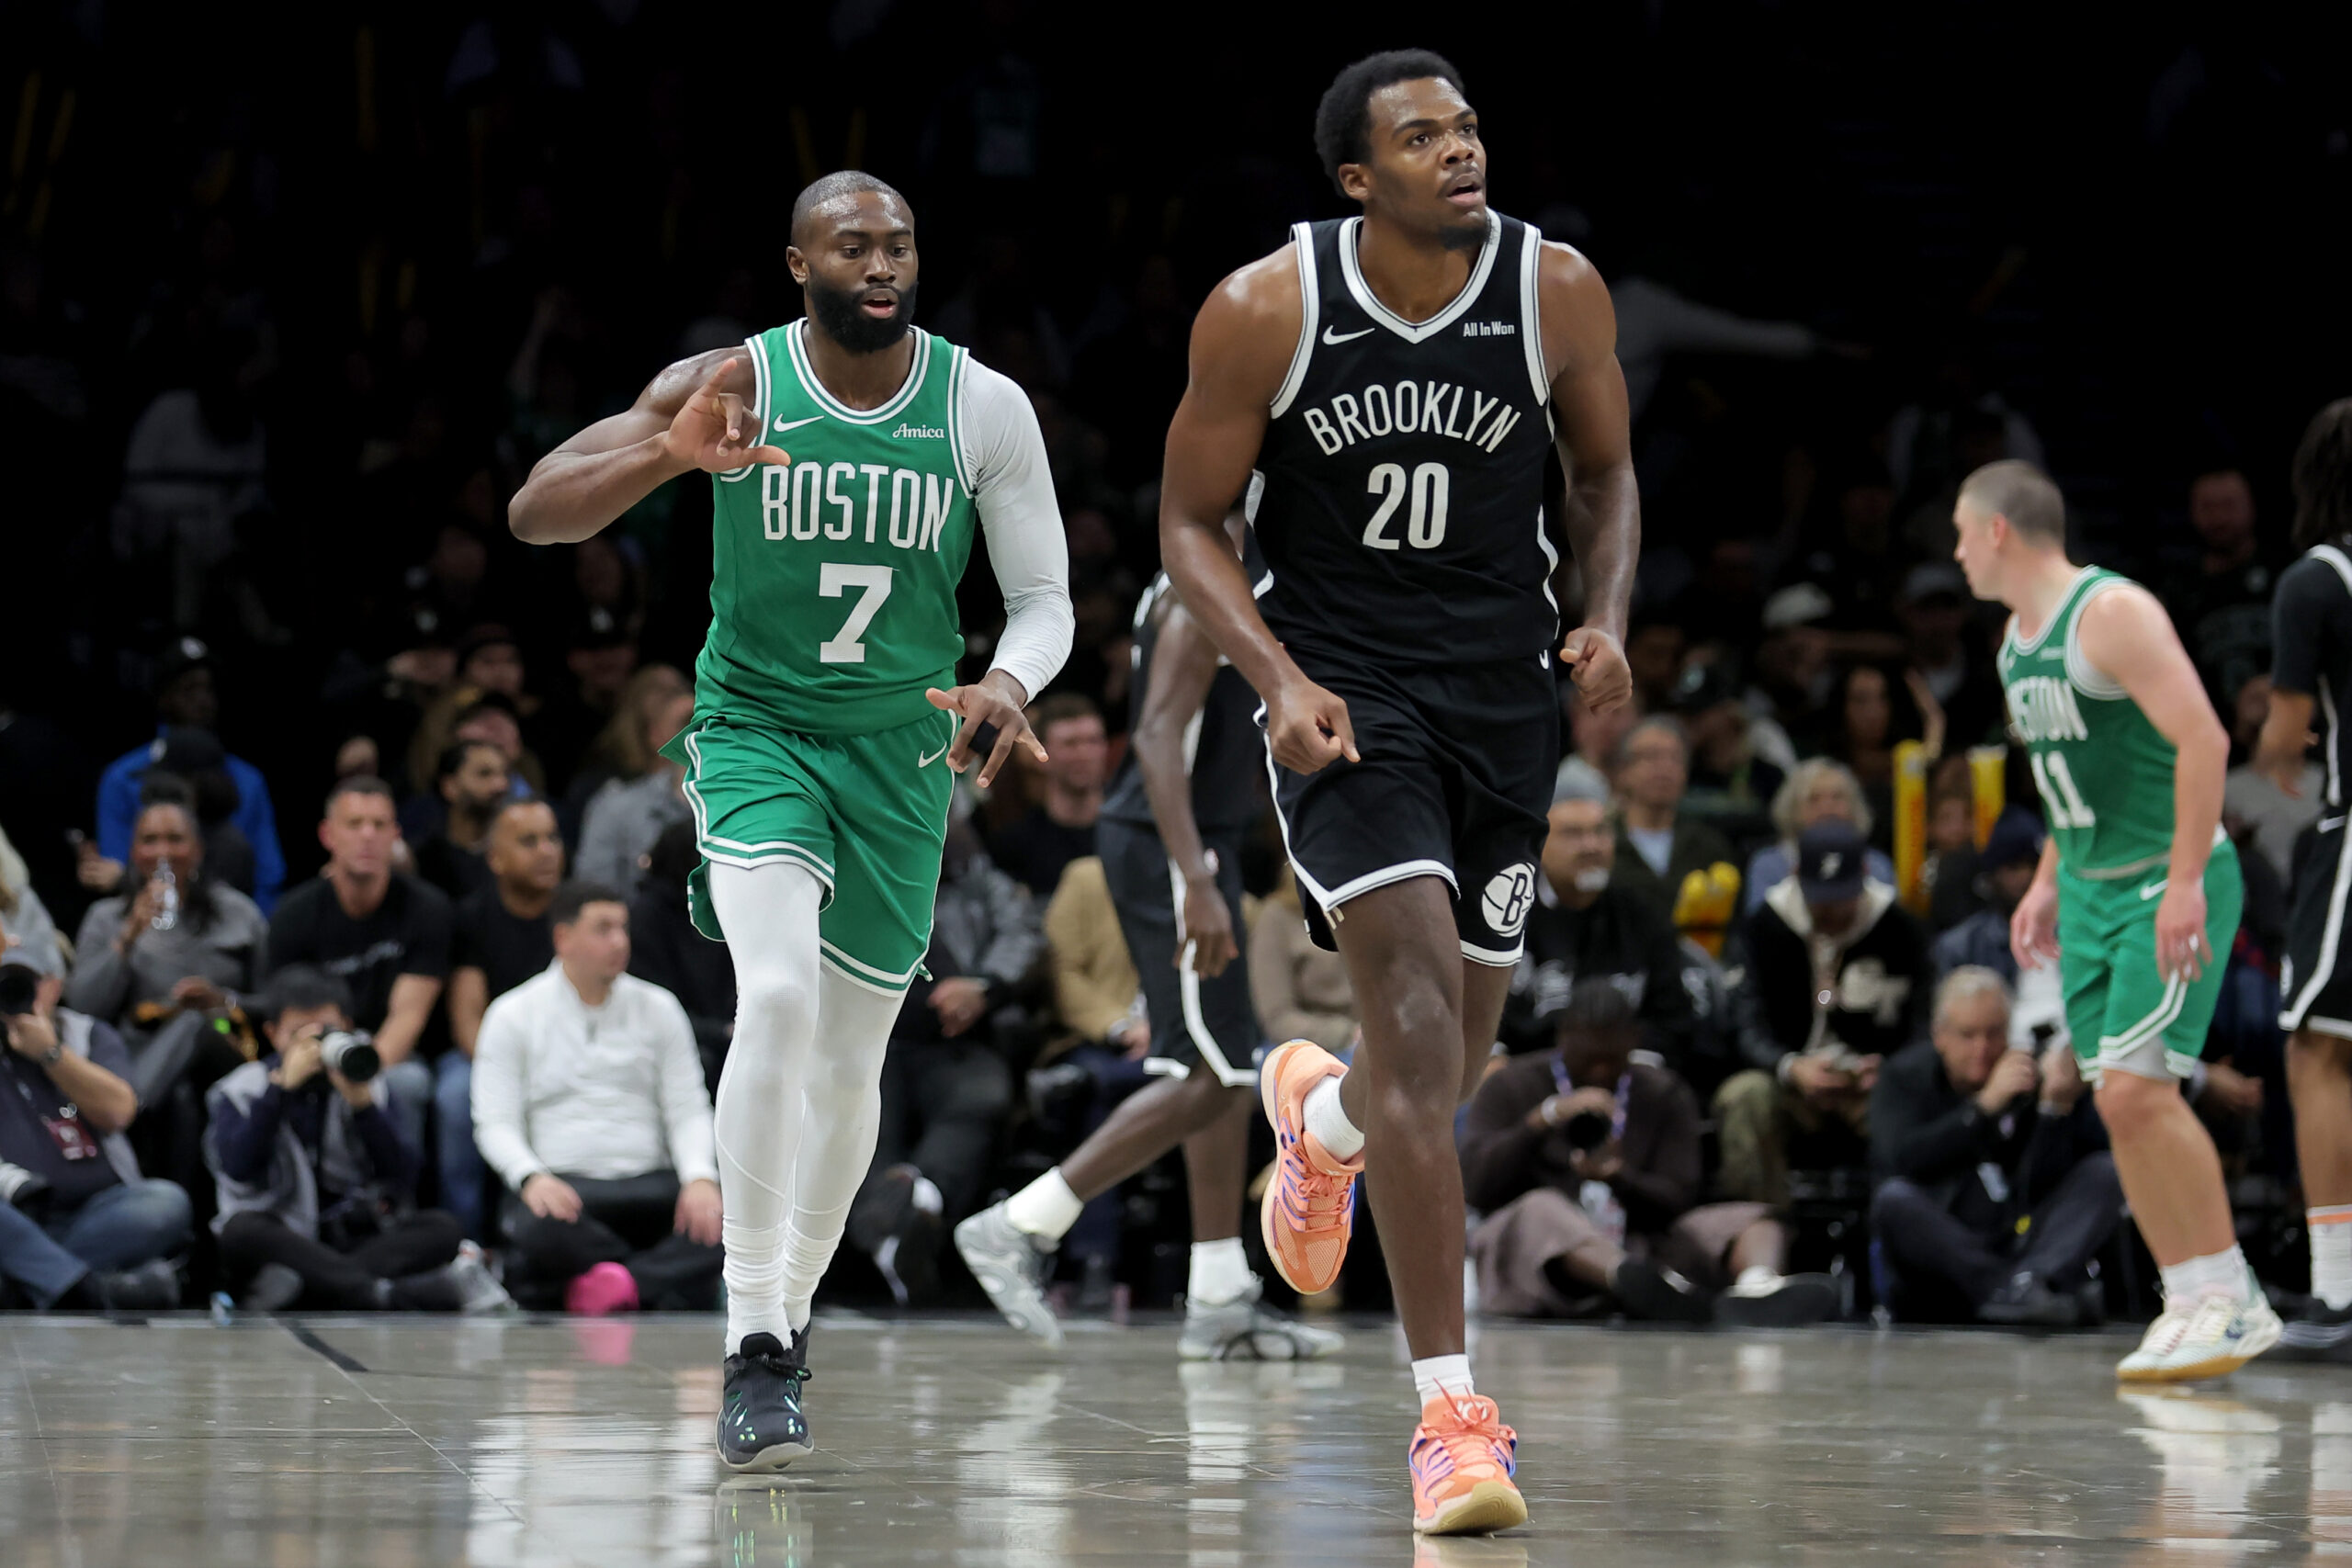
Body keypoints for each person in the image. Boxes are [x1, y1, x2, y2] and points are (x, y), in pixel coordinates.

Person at [506, 170, 1070, 1472]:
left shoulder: (981, 403)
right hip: (757, 729)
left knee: (848, 1062)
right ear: (798, 265)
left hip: (902, 754)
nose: (881, 263)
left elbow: (1042, 597)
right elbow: (537, 509)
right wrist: (669, 454)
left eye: (900, 245)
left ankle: (788, 1315)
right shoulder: (734, 382)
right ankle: (752, 1330)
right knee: (775, 994)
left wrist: (1008, 679)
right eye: (852, 245)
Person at [1155, 51, 1640, 1535]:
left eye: (1469, 126)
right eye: (1423, 137)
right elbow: (1189, 520)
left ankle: (1323, 1122)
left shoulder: (1554, 289)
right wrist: (1273, 675)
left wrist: (1607, 614)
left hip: (1505, 698)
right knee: (1423, 1029)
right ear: (1358, 178)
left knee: (1455, 1055)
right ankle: (1452, 1415)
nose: (1461, 149)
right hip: (1352, 705)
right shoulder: (1266, 307)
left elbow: (1604, 477)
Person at [959, 528, 1342, 1361]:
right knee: (1216, 1072)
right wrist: (1196, 878)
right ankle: (1021, 1222)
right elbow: (1159, 737)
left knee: (1213, 1068)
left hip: (1192, 840)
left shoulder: (1236, 570)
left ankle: (1218, 1294)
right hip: (1175, 844)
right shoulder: (1202, 585)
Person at [1963, 457, 2279, 1379]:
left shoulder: (2111, 612)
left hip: (2161, 881)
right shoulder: (2013, 644)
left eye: (1961, 533)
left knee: (2142, 1092)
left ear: (1997, 531)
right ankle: (2188, 1296)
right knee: (2116, 1099)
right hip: (2093, 887)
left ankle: (2232, 1295)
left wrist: (2184, 881)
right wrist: (2047, 881)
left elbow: (2204, 738)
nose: (1956, 552)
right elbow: (2072, 781)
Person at [1464, 987, 1835, 1326]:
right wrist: (1540, 1121)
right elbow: (1475, 1184)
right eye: (1588, 1059)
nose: (1600, 1070)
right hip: (1539, 1257)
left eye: (1611, 1059)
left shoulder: (1662, 1092)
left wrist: (1619, 1176)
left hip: (1642, 1240)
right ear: (1564, 1037)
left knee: (1752, 1218)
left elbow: (1680, 1198)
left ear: (1634, 1040)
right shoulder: (1510, 1084)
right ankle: (1628, 1281)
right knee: (1541, 1208)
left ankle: (1758, 1287)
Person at [470, 882, 723, 1316]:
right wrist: (531, 1177)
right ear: (563, 938)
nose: (619, 942)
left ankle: (617, 1283)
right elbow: (494, 1122)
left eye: (623, 928)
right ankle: (647, 1279)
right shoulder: (512, 1014)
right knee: (532, 1225)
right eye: (603, 929)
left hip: (651, 1183)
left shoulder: (660, 1007)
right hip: (564, 1186)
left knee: (733, 1219)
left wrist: (700, 1177)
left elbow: (688, 1109)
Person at [204, 966, 504, 1314]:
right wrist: (280, 1092)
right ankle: (384, 1294)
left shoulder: (366, 1081)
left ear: (346, 1026)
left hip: (351, 1239)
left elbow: (403, 1177)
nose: (315, 1047)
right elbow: (239, 1168)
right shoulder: (243, 1089)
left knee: (442, 1228)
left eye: (326, 1032)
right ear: (272, 1034)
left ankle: (310, 1292)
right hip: (282, 1237)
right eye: (299, 1035)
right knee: (240, 1231)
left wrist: (364, 1108)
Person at [2250, 398, 2352, 1359]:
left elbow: (2285, 739)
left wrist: (2269, 746)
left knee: (2317, 1048)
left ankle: (2337, 1292)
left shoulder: (2317, 580)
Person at [846, 804, 1038, 1304]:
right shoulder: (845, 869)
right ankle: (907, 1220)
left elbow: (1023, 933)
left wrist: (984, 986)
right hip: (868, 1038)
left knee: (982, 1097)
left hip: (955, 1041)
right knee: (856, 1114)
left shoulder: (977, 881)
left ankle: (907, 1207)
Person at [1870, 966, 2121, 1325]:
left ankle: (2022, 1287)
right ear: (1939, 1035)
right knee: (1894, 1200)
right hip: (1949, 1242)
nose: (1982, 1049)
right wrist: (1982, 1109)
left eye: (1994, 1033)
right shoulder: (1904, 1077)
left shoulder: (2028, 1077)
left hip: (2017, 1237)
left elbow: (2041, 1185)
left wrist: (2054, 1109)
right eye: (1968, 1035)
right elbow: (1904, 1160)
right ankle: (2012, 1291)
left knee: (2104, 1170)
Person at [1713, 820, 1932, 1207]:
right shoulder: (1764, 928)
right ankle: (1761, 1229)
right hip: (1791, 1082)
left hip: (1873, 1084)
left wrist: (1892, 1070)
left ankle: (1896, 1226)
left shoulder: (1901, 930)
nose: (1830, 909)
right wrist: (1790, 1067)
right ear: (1797, 875)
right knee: (1743, 1096)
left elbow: (1926, 1026)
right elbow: (1745, 1025)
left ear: (1864, 875)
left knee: (1908, 1106)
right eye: (1820, 897)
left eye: (1841, 897)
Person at [266, 777, 453, 1156]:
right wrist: (317, 1062)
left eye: (379, 824)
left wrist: (359, 1069)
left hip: (388, 1054)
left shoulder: (428, 909)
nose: (367, 835)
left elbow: (408, 1016)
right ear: (327, 834)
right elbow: (290, 1013)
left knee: (408, 1083)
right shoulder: (292, 916)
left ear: (396, 835)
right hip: (312, 1046)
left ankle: (398, 1191)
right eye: (354, 824)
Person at [0, 940, 188, 1311]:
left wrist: (51, 1054)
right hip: (14, 1215)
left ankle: (35, 1281)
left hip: (94, 1213)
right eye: (5, 982)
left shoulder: (87, 1034)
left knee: (165, 1202)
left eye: (27, 982)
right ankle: (87, 1288)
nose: (15, 993)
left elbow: (119, 1112)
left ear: (55, 985)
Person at [67, 782, 268, 1105]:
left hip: (223, 1043)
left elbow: (272, 1002)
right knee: (179, 1096)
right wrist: (128, 937)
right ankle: (131, 1104)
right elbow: (82, 1008)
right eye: (150, 840)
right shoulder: (107, 918)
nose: (163, 851)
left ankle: (127, 1109)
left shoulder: (238, 913)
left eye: (175, 839)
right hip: (137, 1052)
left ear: (198, 849)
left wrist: (224, 1000)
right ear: (134, 852)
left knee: (194, 1022)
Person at [1498, 778, 1696, 1079]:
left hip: (1624, 1079)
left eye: (1600, 831)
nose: (1591, 846)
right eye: (1572, 834)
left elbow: (1673, 1020)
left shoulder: (1642, 915)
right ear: (1538, 842)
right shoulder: (1506, 913)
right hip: (1525, 1080)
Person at [440, 796, 564, 1238]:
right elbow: (467, 1022)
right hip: (491, 1056)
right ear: (495, 858)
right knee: (456, 1096)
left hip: (571, 1051)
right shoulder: (472, 917)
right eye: (529, 841)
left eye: (552, 838)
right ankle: (468, 1241)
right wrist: (512, 1074)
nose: (546, 851)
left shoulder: (576, 913)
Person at [93, 637, 286, 913]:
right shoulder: (123, 777)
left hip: (230, 921)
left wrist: (252, 930)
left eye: (208, 689)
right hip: (148, 919)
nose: (202, 700)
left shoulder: (248, 780)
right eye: (188, 689)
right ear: (164, 696)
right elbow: (116, 869)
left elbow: (268, 876)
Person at [627, 819, 737, 1095]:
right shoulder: (647, 917)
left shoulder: (727, 906)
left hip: (728, 1032)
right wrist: (722, 1031)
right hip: (679, 1038)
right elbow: (654, 1007)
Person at [1608, 717, 1739, 946]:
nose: (1664, 768)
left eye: (1675, 758)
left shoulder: (1709, 846)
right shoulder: (1601, 844)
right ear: (1623, 771)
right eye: (1651, 757)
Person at [984, 694, 1110, 899]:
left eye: (1093, 741)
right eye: (1070, 744)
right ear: (1039, 753)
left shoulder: (1131, 836)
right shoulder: (1014, 845)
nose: (1083, 754)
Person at [573, 684, 695, 897]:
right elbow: (594, 894)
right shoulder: (616, 808)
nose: (698, 733)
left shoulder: (745, 801)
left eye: (709, 724)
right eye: (686, 724)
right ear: (656, 735)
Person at [1741, 760, 1895, 916]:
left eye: (1837, 797)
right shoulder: (1768, 865)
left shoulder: (1877, 864)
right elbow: (1759, 926)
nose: (1827, 808)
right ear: (1793, 811)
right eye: (1814, 799)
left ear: (1854, 807)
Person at [1249, 867, 1360, 1053]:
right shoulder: (1277, 917)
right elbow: (1278, 1017)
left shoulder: (1369, 908)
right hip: (1310, 1045)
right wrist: (1347, 1034)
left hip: (1376, 1038)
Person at [410, 739, 511, 903]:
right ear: (450, 787)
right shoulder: (424, 859)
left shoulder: (515, 855)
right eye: (484, 774)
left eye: (504, 774)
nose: (501, 785)